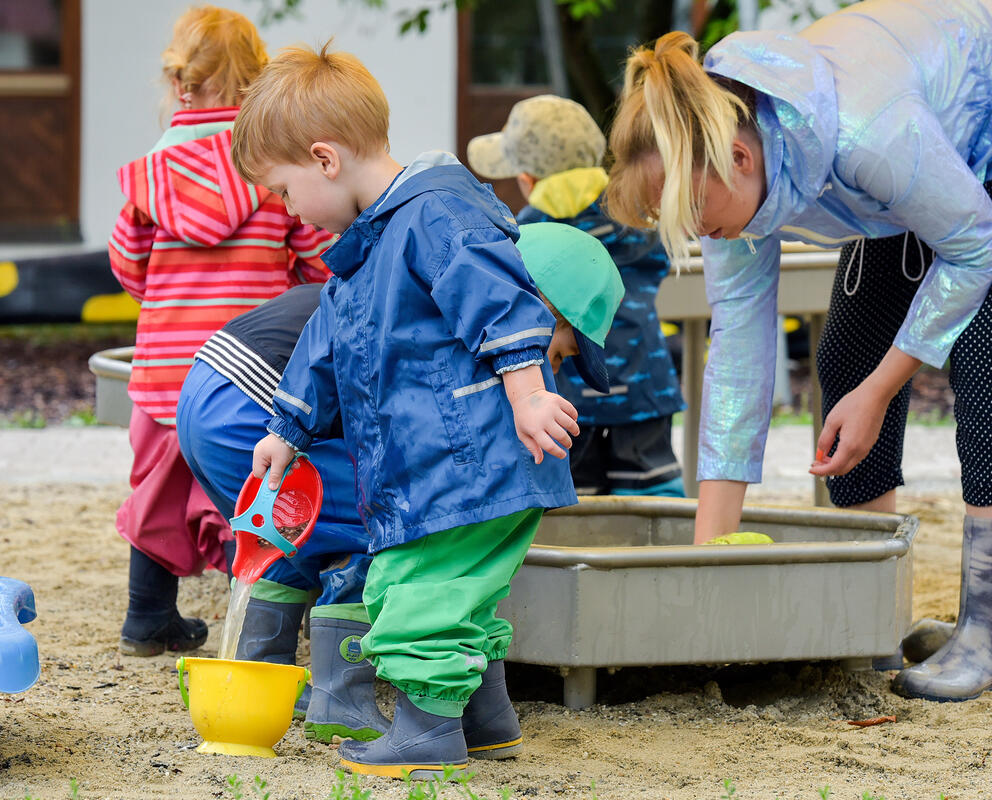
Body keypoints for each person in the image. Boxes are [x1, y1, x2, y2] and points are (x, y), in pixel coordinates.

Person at [231, 43, 623, 778]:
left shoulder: (435, 215)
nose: (287, 211)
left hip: (467, 457)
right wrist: (286, 430)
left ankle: (424, 733)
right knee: (462, 594)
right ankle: (483, 716)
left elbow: (503, 302)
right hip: (446, 463)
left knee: (412, 590)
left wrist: (531, 392)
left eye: (281, 192)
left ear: (324, 159)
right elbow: (324, 346)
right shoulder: (368, 250)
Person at [602, 0, 992, 702]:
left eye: (693, 217)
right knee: (844, 361)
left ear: (742, 159)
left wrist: (882, 389)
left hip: (972, 142)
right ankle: (883, 612)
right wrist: (707, 569)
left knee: (983, 372)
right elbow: (739, 355)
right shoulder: (727, 170)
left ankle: (988, 627)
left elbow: (973, 246)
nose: (700, 237)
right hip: (909, 178)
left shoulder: (869, 134)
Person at [107, 6, 333, 658]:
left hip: (163, 367)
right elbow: (314, 255)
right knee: (250, 483)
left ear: (182, 82)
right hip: (247, 367)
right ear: (255, 84)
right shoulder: (271, 167)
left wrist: (169, 295)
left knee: (155, 488)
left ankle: (147, 617)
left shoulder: (154, 175)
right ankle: (259, 628)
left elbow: (128, 264)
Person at [175, 283, 387, 743]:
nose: (552, 367)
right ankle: (343, 701)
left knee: (283, 535)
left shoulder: (375, 273)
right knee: (368, 525)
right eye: (558, 354)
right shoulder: (442, 302)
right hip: (257, 402)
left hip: (202, 389)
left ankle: (260, 678)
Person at [468, 94, 685, 496]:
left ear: (528, 181)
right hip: (644, 384)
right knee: (654, 502)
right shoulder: (633, 216)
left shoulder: (525, 236)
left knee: (578, 511)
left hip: (563, 398)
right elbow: (658, 260)